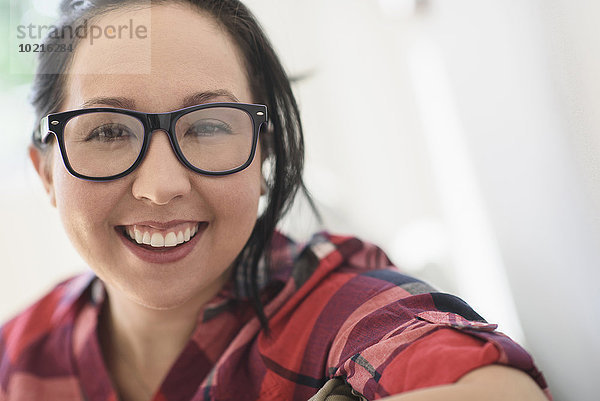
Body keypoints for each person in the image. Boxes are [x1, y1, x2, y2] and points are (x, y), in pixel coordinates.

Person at [0, 1, 551, 400]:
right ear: (45, 172)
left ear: (262, 156)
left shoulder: (341, 311)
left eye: (209, 125)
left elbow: (489, 386)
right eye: (107, 133)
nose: (161, 184)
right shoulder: (19, 355)